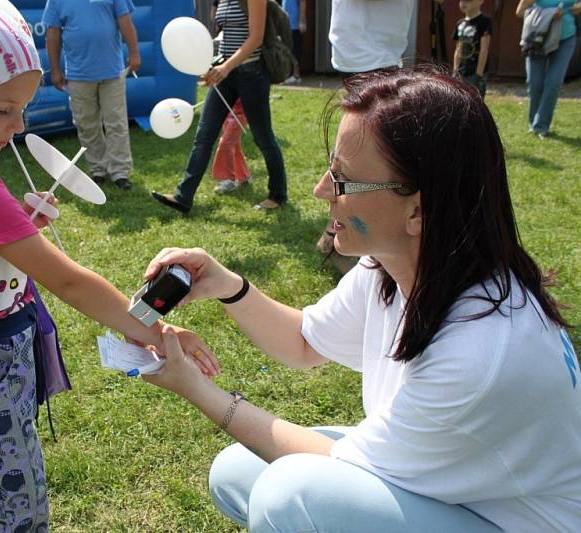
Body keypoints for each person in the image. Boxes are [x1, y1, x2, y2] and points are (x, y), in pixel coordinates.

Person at [141, 67, 581, 532]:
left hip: (514, 522)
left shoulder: (480, 352)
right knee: (239, 471)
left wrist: (197, 388)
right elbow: (304, 343)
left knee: (289, 494)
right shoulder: (391, 266)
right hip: (464, 498)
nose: (320, 191)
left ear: (419, 210)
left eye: (345, 181)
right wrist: (226, 284)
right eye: (331, 169)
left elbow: (332, 466)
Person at [0, 2, 217, 529]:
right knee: (18, 514)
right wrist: (156, 326)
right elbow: (68, 281)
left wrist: (13, 224)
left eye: (23, 110)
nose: (16, 126)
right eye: (0, 109)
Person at [152, 0, 287, 213]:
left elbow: (255, 38)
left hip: (251, 74)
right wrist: (212, 63)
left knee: (264, 138)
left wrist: (225, 67)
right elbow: (226, 35)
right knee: (203, 136)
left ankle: (278, 195)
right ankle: (183, 196)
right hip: (225, 73)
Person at [318, 0, 415, 274]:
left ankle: (365, 242)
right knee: (349, 159)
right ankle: (340, 227)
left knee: (365, 163)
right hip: (357, 58)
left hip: (375, 58)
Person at [44, 0, 139, 190]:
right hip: (79, 75)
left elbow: (125, 20)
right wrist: (54, 69)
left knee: (116, 123)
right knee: (86, 124)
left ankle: (120, 172)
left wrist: (134, 53)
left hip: (112, 71)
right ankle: (98, 170)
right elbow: (52, 33)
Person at [516, 0, 581, 139]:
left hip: (566, 39)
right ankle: (534, 123)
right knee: (535, 83)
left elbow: (577, 7)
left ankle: (541, 126)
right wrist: (549, 14)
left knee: (554, 82)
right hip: (537, 39)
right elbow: (520, 12)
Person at [453, 0, 492, 99]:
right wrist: (455, 70)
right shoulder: (460, 24)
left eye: (468, 0)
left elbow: (484, 50)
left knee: (475, 102)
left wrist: (478, 74)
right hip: (461, 72)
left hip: (475, 72)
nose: (463, 3)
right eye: (462, 0)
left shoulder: (484, 22)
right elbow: (458, 49)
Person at [212, 99, 251, 194]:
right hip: (227, 111)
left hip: (241, 113)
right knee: (234, 145)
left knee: (225, 144)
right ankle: (243, 176)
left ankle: (227, 179)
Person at [281, 0, 306, 85]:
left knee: (295, 50)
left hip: (295, 25)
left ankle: (296, 75)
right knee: (287, 50)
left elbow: (303, 2)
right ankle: (288, 75)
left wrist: (302, 21)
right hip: (286, 24)